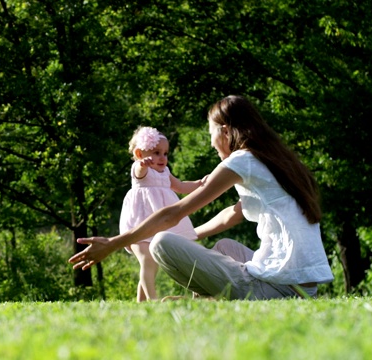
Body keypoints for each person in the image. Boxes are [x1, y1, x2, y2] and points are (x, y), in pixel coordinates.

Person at [69, 95, 334, 300]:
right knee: (225, 248)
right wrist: (190, 236)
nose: (211, 142)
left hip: (281, 289)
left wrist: (114, 243)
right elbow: (234, 212)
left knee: (161, 243)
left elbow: (174, 214)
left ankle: (205, 301)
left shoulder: (243, 161)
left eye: (211, 133)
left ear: (226, 131)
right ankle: (207, 302)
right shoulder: (274, 160)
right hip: (301, 287)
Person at [119, 126, 203, 302]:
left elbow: (180, 186)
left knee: (151, 264)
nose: (162, 158)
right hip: (140, 222)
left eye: (165, 153)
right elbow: (139, 172)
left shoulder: (165, 172)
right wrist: (142, 165)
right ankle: (153, 300)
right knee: (147, 260)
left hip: (160, 224)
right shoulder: (140, 168)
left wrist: (201, 183)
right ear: (140, 154)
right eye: (157, 152)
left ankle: (141, 303)